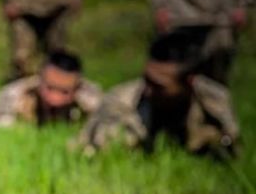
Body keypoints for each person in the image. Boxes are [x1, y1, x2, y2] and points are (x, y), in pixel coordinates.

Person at [76, 31, 239, 158]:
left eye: (158, 86)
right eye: (146, 79)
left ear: (189, 83)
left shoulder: (212, 99)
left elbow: (232, 146)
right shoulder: (122, 100)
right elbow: (107, 148)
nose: (147, 90)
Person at [144, 0, 254, 84]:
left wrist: (241, 4)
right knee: (173, 74)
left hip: (221, 12)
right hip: (180, 11)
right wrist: (160, 5)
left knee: (218, 66)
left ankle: (214, 101)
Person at [0, 50, 102, 127]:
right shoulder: (15, 94)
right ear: (39, 81)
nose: (55, 99)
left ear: (77, 88)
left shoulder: (92, 99)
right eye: (50, 88)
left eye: (64, 92)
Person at [0, 0, 89, 81]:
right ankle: (20, 90)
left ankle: (58, 86)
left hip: (60, 3)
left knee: (58, 54)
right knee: (21, 57)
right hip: (23, 4)